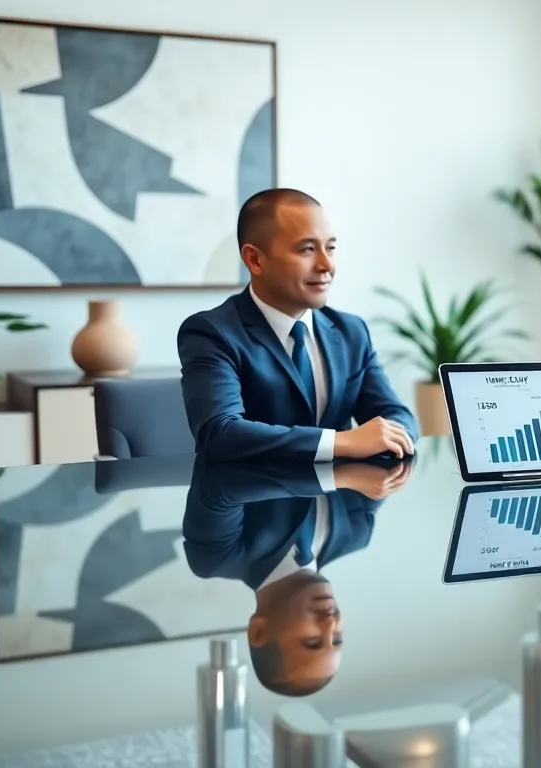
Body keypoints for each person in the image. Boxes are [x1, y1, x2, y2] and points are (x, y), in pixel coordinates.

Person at [179, 188, 417, 463]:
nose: (326, 265)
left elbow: (395, 414)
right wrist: (341, 442)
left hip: (339, 498)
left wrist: (396, 436)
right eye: (307, 249)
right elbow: (220, 433)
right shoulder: (212, 332)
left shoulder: (351, 331)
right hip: (251, 501)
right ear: (255, 260)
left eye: (330, 248)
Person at [182, 456, 413, 696]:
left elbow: (220, 484)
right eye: (337, 638)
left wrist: (336, 477)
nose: (330, 623)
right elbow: (394, 457)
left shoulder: (216, 557)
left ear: (259, 631)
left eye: (312, 641)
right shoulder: (355, 534)